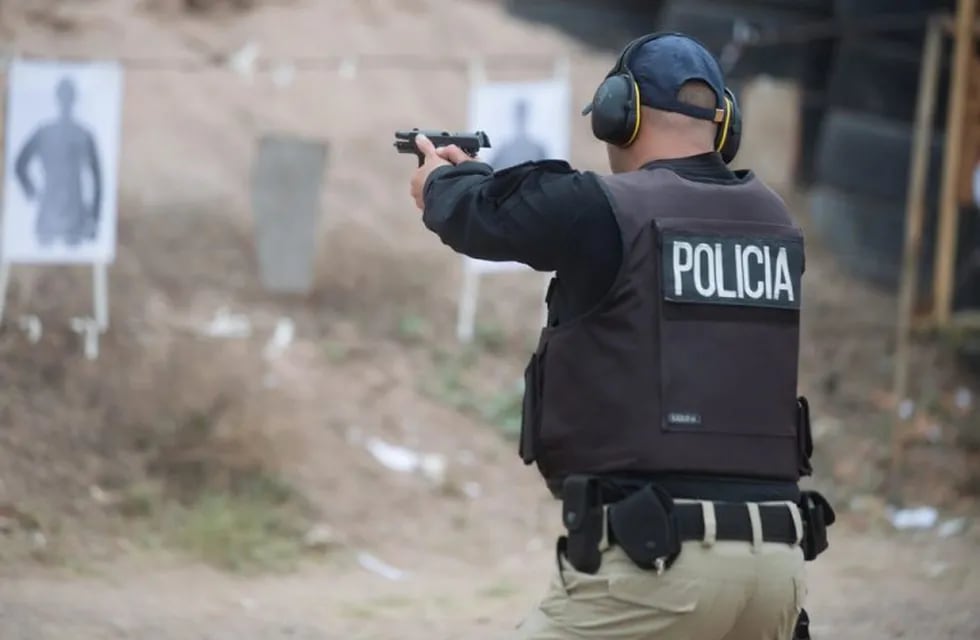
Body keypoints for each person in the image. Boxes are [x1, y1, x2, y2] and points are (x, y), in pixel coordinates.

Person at [408, 32, 834, 640]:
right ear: (724, 125)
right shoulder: (775, 222)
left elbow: (488, 217)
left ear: (619, 113)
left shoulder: (609, 209)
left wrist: (442, 184)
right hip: (778, 569)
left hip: (659, 561)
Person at [14, 75, 102, 248]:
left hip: (74, 212)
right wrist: (31, 191)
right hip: (50, 209)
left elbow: (97, 179)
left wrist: (94, 216)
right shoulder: (45, 132)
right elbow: (19, 164)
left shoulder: (83, 134)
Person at [488, 98, 548, 170]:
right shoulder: (503, 150)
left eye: (522, 114)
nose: (520, 118)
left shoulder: (538, 149)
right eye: (519, 114)